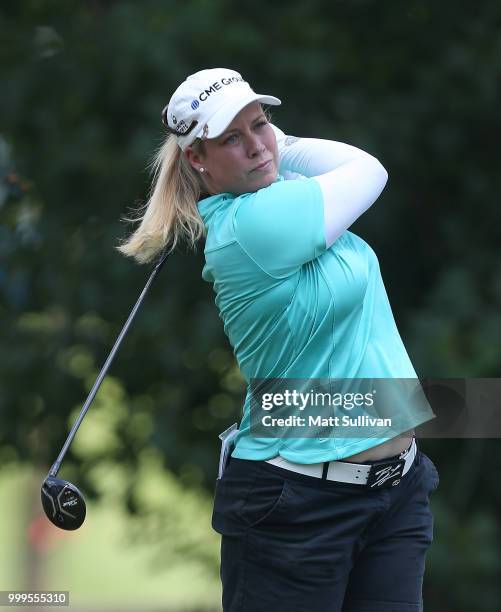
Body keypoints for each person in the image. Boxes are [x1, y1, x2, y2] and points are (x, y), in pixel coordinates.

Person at [117, 68, 440, 612]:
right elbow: (367, 169)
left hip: (394, 492)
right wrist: (280, 146)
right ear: (197, 159)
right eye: (231, 138)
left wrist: (265, 147)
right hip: (298, 506)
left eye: (260, 124)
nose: (255, 145)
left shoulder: (283, 196)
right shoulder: (252, 226)